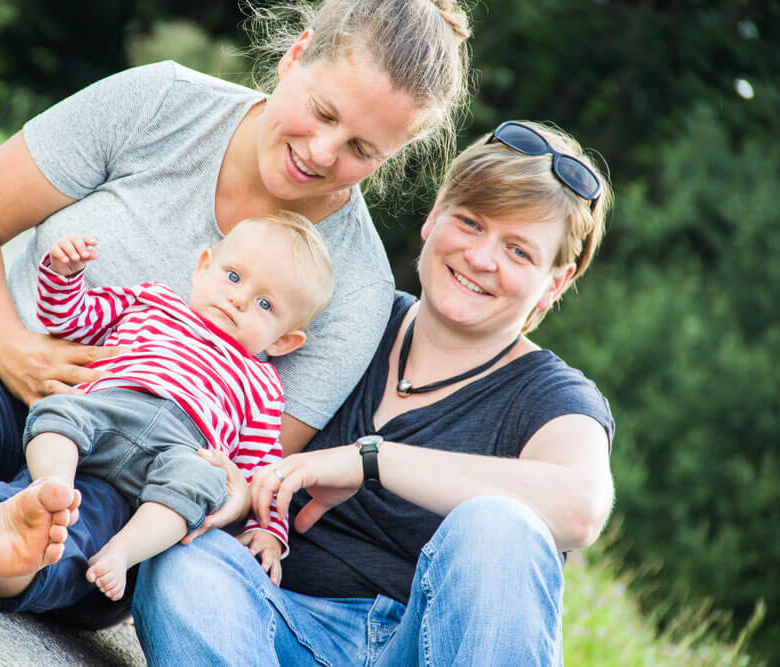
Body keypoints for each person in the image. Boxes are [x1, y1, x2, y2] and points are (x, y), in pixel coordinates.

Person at [0, 0, 473, 621]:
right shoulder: (161, 102)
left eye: (363, 150)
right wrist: (12, 347)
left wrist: (228, 499)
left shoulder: (354, 289)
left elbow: (245, 457)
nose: (324, 153)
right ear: (295, 56)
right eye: (324, 112)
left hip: (127, 476)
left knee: (94, 523)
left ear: (393, 155)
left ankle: (8, 539)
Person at [131, 120, 616, 665]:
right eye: (470, 222)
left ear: (555, 282)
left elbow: (580, 507)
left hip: (422, 646)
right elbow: (215, 373)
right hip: (270, 621)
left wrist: (372, 459)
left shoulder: (552, 395)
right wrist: (236, 482)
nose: (482, 258)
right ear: (434, 217)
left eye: (519, 252)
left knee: (500, 526)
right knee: (184, 563)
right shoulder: (353, 318)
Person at [0, 213, 334, 601]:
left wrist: (268, 530)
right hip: (108, 408)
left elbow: (262, 470)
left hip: (182, 450)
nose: (239, 299)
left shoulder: (263, 386)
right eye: (234, 276)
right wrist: (64, 274)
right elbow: (71, 320)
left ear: (283, 341)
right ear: (204, 267)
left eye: (265, 304)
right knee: (60, 411)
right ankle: (50, 490)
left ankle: (121, 552)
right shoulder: (153, 301)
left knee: (200, 484)